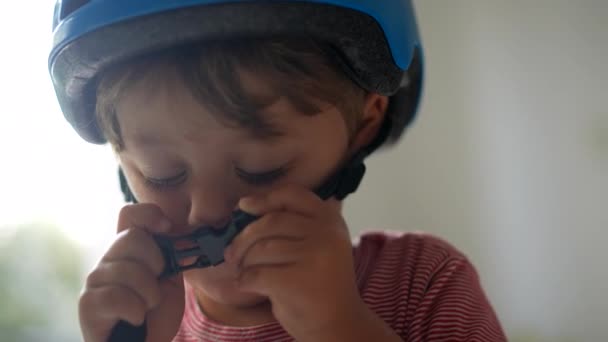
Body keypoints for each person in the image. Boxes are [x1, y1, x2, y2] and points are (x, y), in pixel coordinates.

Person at [49, 1, 506, 341]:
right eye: (163, 175)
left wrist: (339, 326)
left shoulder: (422, 284)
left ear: (362, 127)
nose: (207, 212)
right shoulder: (146, 322)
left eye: (260, 170)